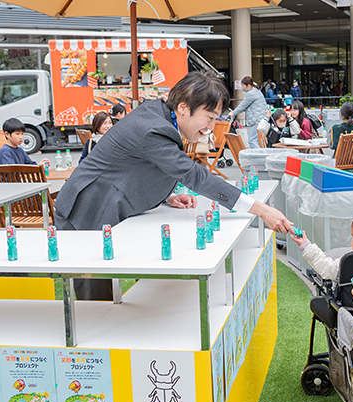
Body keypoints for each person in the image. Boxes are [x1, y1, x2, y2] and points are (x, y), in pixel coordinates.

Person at [55, 71, 293, 299]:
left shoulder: (158, 115)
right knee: (93, 300)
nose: (211, 127)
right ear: (183, 107)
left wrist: (167, 195)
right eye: (209, 117)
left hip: (104, 206)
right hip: (85, 210)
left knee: (117, 286)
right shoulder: (153, 128)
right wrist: (261, 210)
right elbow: (195, 176)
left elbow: (137, 164)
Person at [230, 76, 268, 149]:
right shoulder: (257, 91)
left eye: (243, 86)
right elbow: (246, 106)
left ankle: (258, 157)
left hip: (257, 120)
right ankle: (261, 156)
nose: (242, 88)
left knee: (252, 140)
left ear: (249, 85)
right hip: (260, 119)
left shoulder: (251, 93)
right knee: (258, 141)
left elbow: (243, 105)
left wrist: (233, 113)